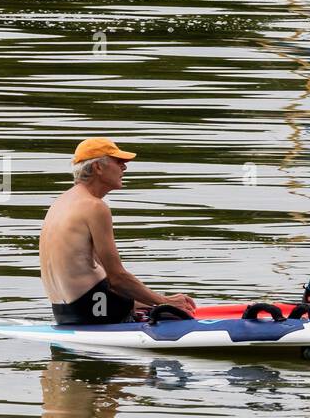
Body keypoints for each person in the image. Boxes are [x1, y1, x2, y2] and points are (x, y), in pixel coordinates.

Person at [40, 138, 195, 325]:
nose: (125, 168)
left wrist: (146, 302)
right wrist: (165, 302)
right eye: (119, 162)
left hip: (66, 312)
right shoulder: (95, 207)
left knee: (154, 305)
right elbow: (117, 278)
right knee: (172, 315)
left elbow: (92, 274)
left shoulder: (60, 203)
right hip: (96, 312)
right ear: (98, 167)